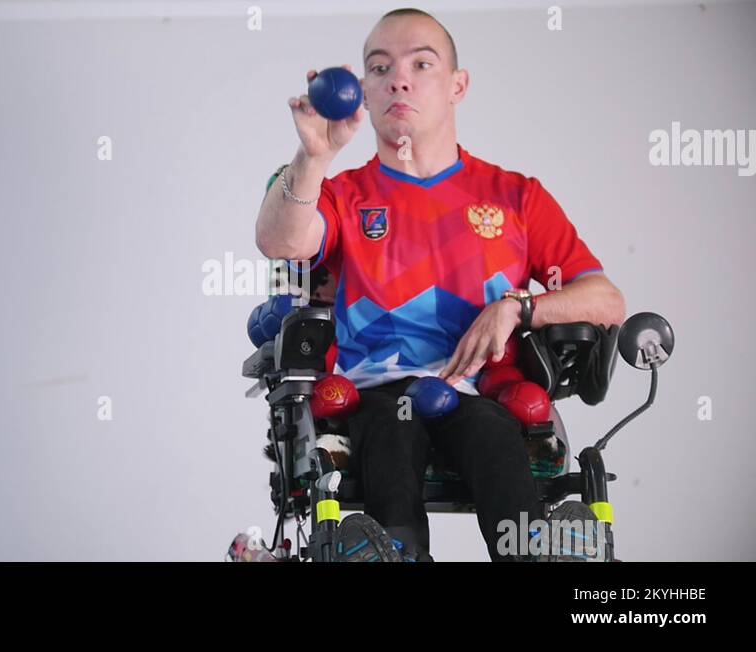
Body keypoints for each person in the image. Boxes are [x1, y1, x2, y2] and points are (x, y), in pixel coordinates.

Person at [254, 8, 626, 561]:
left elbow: (607, 301)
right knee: (390, 432)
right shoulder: (344, 194)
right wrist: (314, 156)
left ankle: (542, 554)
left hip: (475, 388)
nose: (398, 79)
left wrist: (518, 309)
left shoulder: (516, 197)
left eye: (420, 64)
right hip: (375, 389)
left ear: (458, 86)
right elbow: (281, 241)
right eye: (378, 69)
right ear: (363, 91)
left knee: (494, 437)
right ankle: (393, 554)